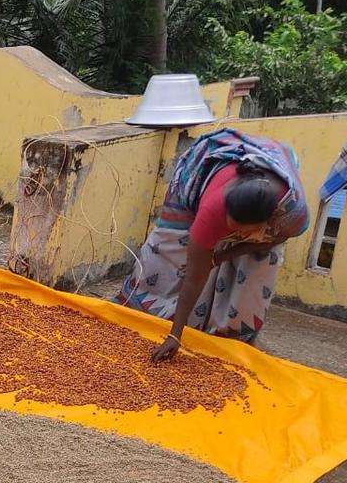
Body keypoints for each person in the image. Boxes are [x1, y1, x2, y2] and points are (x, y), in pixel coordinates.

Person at [118, 128, 310, 362]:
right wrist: (175, 335)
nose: (237, 234)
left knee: (256, 270)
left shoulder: (292, 215)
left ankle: (229, 334)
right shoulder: (211, 211)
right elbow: (193, 278)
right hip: (206, 165)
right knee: (170, 254)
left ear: (269, 221)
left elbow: (274, 240)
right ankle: (151, 312)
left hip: (275, 164)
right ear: (225, 210)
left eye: (245, 232)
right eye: (233, 227)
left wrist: (221, 257)